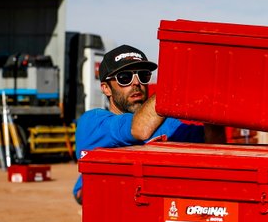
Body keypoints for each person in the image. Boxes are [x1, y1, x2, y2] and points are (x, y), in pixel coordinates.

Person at [72, 44, 224, 204]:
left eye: (143, 76)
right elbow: (139, 130)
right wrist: (176, 84)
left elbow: (214, 145)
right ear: (106, 88)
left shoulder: (167, 124)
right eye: (125, 78)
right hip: (113, 215)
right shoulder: (93, 122)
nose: (136, 83)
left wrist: (211, 100)